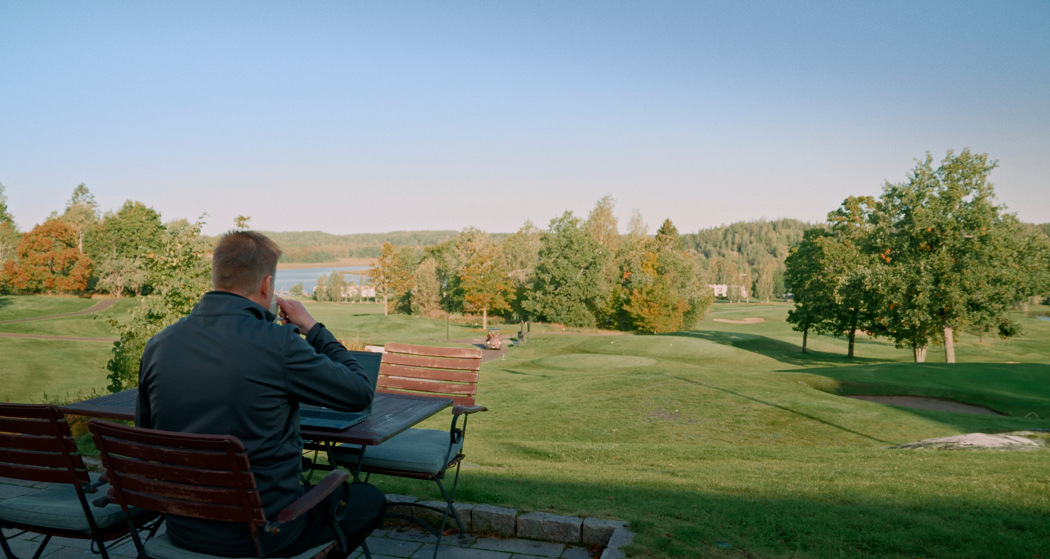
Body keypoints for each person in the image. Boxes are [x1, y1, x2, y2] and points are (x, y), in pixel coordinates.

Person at [136, 230, 384, 557]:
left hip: (183, 529)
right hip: (265, 535)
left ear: (217, 277)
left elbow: (146, 436)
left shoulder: (158, 345)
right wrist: (314, 329)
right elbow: (359, 392)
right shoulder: (278, 343)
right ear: (266, 285)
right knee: (368, 500)